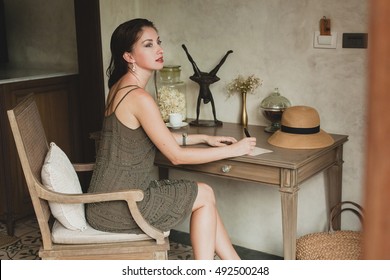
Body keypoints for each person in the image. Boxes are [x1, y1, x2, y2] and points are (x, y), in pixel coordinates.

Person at [86, 18, 257, 260]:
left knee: (204, 195)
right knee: (205, 194)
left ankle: (236, 267)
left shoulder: (118, 87)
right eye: (148, 45)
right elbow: (176, 157)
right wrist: (235, 150)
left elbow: (156, 136)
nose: (159, 49)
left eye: (158, 42)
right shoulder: (139, 97)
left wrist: (204, 138)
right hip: (119, 205)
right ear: (129, 56)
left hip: (104, 201)